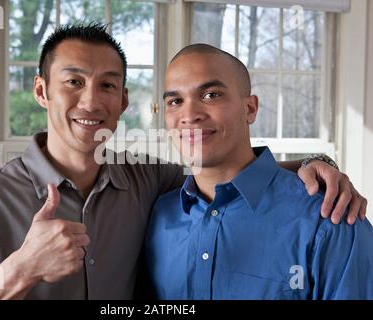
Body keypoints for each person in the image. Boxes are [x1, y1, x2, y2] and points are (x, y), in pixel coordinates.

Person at [0, 24, 366, 300]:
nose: (91, 100)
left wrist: (316, 163)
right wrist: (17, 272)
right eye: (73, 82)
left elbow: (226, 174)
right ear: (41, 91)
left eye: (108, 86)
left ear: (124, 101)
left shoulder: (152, 185)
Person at [145, 44, 373, 300]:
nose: (189, 115)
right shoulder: (158, 216)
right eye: (176, 101)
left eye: (211, 95)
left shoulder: (332, 220)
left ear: (250, 109)